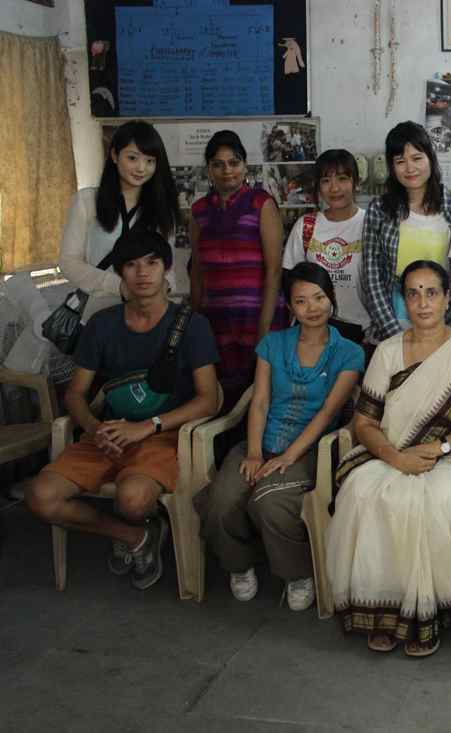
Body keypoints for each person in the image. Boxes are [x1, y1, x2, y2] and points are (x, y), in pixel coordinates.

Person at [25, 230, 220, 591]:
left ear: (166, 269)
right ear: (120, 273)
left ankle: (138, 524)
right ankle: (135, 537)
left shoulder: (192, 325)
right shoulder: (103, 324)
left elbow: (210, 399)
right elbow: (76, 394)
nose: (142, 273)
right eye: (131, 265)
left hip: (162, 435)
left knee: (133, 499)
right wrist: (94, 428)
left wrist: (148, 426)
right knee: (40, 497)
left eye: (152, 263)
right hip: (107, 434)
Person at [326, 261, 451, 657]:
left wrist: (441, 448)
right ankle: (382, 613)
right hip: (391, 453)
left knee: (425, 502)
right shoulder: (387, 351)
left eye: (431, 292)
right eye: (413, 294)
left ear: (447, 299)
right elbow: (364, 423)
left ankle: (422, 616)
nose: (423, 303)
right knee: (360, 492)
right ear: (403, 301)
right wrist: (395, 457)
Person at [194, 263, 363, 611]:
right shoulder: (272, 344)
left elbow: (327, 413)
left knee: (269, 501)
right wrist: (255, 452)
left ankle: (298, 573)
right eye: (301, 301)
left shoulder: (349, 352)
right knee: (220, 500)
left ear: (331, 298)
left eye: (319, 297)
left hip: (310, 450)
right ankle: (239, 564)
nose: (312, 307)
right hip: (262, 442)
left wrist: (288, 457)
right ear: (290, 306)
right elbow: (259, 402)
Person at [190, 130, 288, 405]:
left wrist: (264, 330)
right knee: (223, 398)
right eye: (218, 164)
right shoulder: (198, 211)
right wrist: (195, 323)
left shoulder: (261, 203)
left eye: (234, 162)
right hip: (217, 321)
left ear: (245, 166)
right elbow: (197, 271)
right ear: (209, 169)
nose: (227, 171)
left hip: (258, 316)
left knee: (264, 397)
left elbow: (274, 271)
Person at [360, 122, 451, 353]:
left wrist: (444, 332)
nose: (410, 168)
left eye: (417, 158)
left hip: (444, 330)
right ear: (392, 166)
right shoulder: (380, 209)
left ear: (431, 159)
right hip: (392, 328)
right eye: (400, 161)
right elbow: (371, 277)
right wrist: (396, 336)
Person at [60, 121, 179, 320]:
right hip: (97, 314)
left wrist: (165, 287)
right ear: (115, 155)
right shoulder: (87, 201)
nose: (141, 168)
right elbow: (69, 262)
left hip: (148, 316)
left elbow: (168, 268)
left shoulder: (163, 208)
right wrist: (120, 286)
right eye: (132, 158)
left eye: (150, 160)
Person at [283, 149, 371, 346]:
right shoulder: (306, 226)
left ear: (356, 182)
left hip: (362, 332)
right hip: (312, 331)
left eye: (342, 178)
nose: (334, 188)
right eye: (325, 180)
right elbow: (290, 283)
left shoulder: (371, 224)